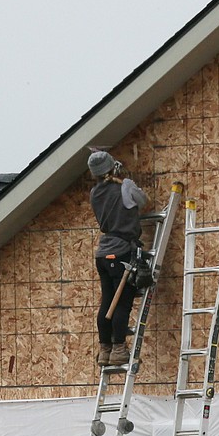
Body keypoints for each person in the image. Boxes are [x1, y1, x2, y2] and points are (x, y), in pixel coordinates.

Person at [88, 150, 149, 367]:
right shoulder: (124, 186)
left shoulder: (94, 193)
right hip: (121, 251)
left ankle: (105, 351)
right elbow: (142, 201)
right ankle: (119, 350)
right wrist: (126, 181)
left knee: (107, 302)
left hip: (103, 254)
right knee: (122, 304)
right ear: (112, 168)